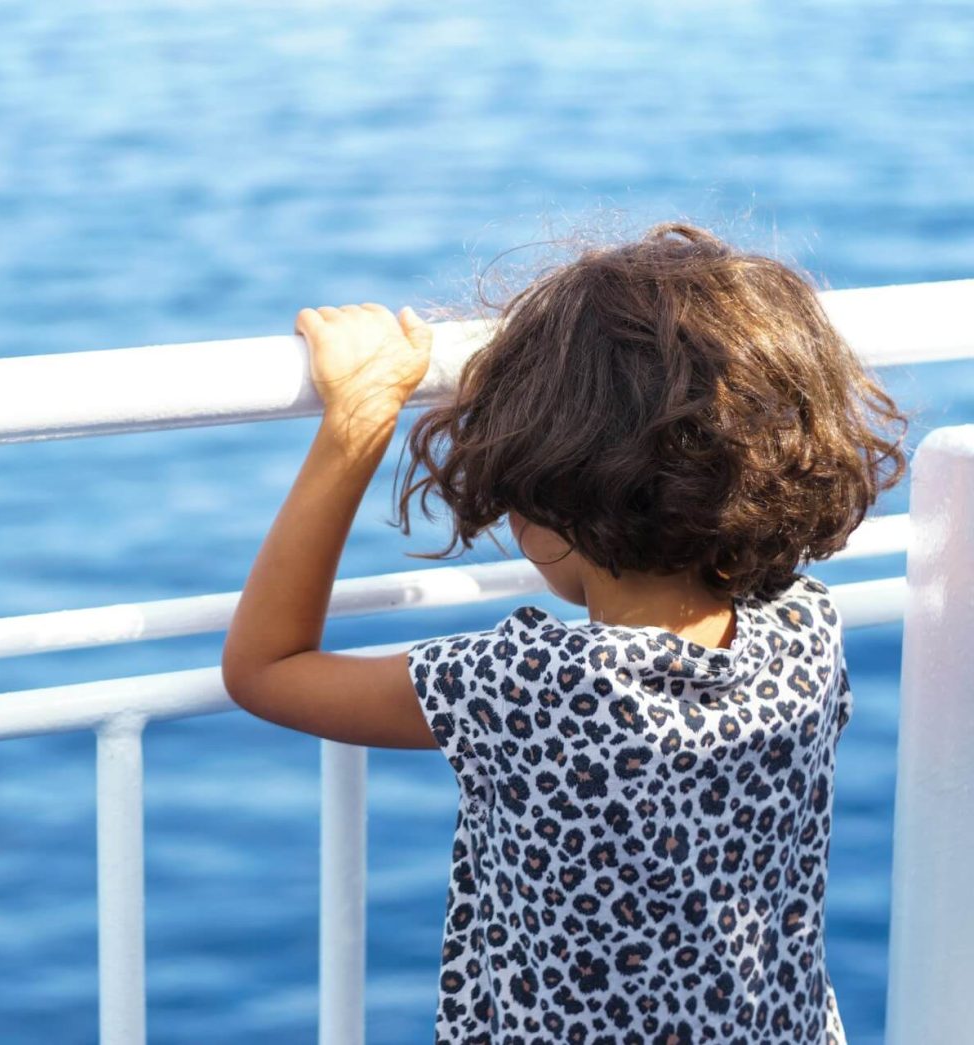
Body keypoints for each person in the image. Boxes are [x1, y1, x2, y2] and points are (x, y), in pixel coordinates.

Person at [220, 222, 908, 1045]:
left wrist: (359, 416)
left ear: (550, 506)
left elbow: (266, 665)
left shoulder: (531, 686)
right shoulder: (806, 634)